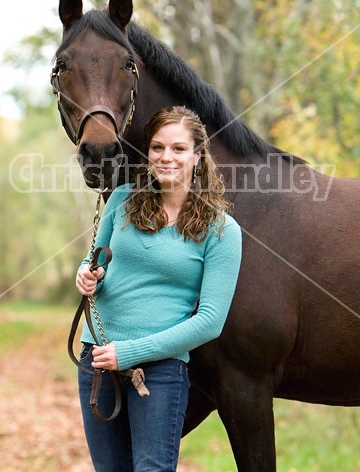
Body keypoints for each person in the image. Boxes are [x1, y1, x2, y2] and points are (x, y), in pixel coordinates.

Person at [75, 105, 242, 472]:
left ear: (198, 156)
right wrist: (86, 274)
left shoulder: (222, 230)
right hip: (98, 359)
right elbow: (95, 261)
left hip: (158, 371)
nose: (166, 157)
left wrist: (132, 353)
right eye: (157, 147)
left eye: (179, 149)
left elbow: (210, 321)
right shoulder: (120, 199)